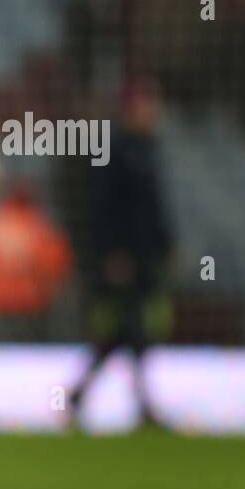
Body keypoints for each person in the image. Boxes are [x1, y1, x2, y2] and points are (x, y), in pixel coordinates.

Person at [69, 79, 174, 427]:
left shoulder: (149, 149)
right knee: (132, 330)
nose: (152, 112)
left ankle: (80, 394)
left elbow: (155, 208)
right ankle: (142, 405)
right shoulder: (112, 151)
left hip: (144, 259)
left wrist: (166, 244)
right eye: (146, 105)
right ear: (130, 110)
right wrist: (111, 253)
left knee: (123, 334)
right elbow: (102, 210)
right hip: (123, 260)